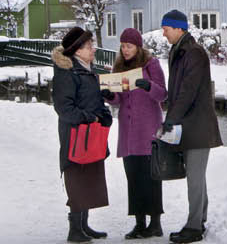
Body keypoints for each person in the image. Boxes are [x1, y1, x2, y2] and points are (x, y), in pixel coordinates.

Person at [159, 10, 222, 244]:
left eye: (166, 29)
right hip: (189, 123)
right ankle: (199, 220)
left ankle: (194, 227)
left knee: (195, 178)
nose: (163, 33)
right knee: (197, 177)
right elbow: (177, 91)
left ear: (179, 28)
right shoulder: (180, 51)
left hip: (197, 124)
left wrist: (171, 118)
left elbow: (188, 91)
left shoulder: (193, 53)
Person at [101, 28, 166, 239]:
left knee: (151, 177)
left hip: (148, 130)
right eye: (122, 46)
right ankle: (140, 223)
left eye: (129, 46)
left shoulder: (151, 64)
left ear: (138, 46)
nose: (125, 50)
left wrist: (148, 86)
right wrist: (110, 95)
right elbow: (119, 100)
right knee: (134, 177)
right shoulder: (118, 67)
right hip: (128, 132)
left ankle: (155, 223)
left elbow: (162, 94)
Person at [51, 27, 112, 243]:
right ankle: (74, 229)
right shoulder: (67, 72)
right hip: (75, 136)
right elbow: (63, 107)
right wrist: (90, 117)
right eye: (88, 46)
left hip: (90, 135)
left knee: (88, 179)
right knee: (77, 179)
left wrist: (104, 111)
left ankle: (84, 225)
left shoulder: (87, 69)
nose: (93, 49)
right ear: (77, 50)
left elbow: (91, 99)